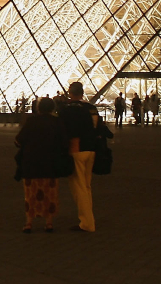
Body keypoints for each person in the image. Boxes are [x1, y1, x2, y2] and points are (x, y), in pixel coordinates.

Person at [15, 96, 69, 233]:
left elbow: (18, 140)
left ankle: (28, 223)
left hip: (31, 162)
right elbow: (64, 142)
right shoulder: (57, 122)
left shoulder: (31, 121)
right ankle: (49, 222)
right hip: (51, 162)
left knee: (30, 193)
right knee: (50, 193)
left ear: (38, 108)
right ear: (53, 108)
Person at [59, 81, 100, 233]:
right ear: (82, 93)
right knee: (87, 186)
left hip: (76, 149)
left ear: (70, 93)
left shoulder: (66, 109)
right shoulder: (90, 108)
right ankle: (89, 218)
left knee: (79, 188)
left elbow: (63, 131)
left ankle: (87, 223)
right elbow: (97, 127)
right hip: (91, 149)